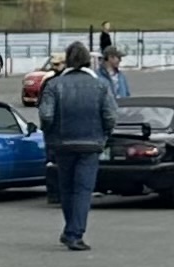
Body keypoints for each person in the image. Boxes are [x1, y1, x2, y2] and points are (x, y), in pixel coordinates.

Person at [39, 40, 116, 251]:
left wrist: (51, 134)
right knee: (83, 190)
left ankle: (70, 229)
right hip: (91, 144)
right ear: (88, 61)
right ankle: (75, 233)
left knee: (67, 188)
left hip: (63, 143)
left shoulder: (54, 85)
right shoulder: (101, 85)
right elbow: (110, 116)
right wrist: (104, 136)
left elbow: (46, 115)